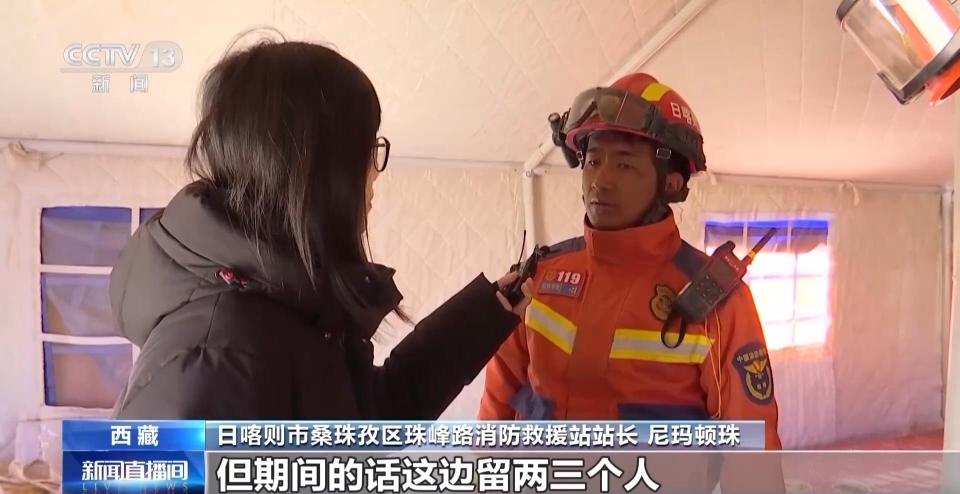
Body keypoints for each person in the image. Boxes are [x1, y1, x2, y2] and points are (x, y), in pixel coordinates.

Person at [110, 40, 532, 419]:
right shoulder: (215, 361)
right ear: (315, 169)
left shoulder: (281, 311)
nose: (375, 172)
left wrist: (486, 312)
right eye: (367, 150)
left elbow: (368, 419)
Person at [478, 73, 784, 491]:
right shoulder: (541, 275)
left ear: (671, 181)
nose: (600, 180)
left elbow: (750, 448)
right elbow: (499, 400)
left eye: (624, 164)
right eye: (593, 161)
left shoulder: (718, 300)